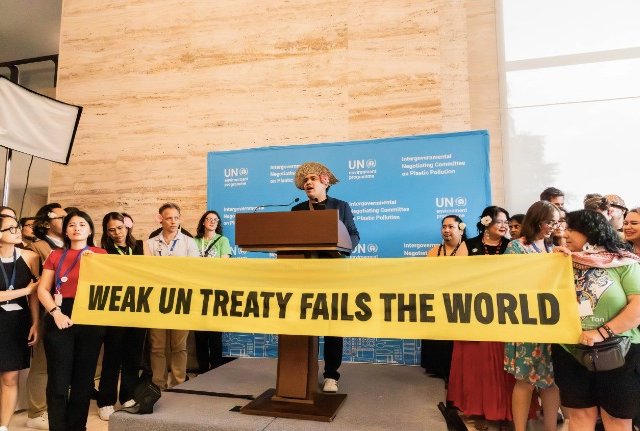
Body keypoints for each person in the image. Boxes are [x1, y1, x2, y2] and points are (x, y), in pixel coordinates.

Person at [552, 209, 640, 431]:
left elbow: (638, 308)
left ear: (591, 231)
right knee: (579, 417)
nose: (564, 233)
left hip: (619, 351)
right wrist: (551, 263)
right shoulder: (561, 262)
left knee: (616, 419)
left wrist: (602, 332)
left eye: (572, 229)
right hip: (570, 350)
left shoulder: (623, 262)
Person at [291, 162, 359, 393]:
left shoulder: (341, 206)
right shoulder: (297, 210)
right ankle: (303, 371)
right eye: (305, 180)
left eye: (312, 178)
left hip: (333, 275)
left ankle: (331, 375)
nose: (307, 183)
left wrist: (342, 248)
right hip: (305, 276)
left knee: (332, 325)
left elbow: (354, 235)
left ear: (325, 182)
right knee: (305, 325)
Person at [37, 210, 107, 431]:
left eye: (82, 224)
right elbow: (43, 289)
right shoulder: (55, 255)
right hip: (60, 314)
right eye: (72, 225)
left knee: (83, 381)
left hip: (90, 316)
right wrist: (55, 312)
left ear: (90, 230)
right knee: (58, 380)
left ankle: (78, 427)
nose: (77, 228)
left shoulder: (101, 254)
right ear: (65, 231)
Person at [448, 206, 514, 429]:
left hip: (504, 314)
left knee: (503, 365)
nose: (504, 226)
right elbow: (456, 276)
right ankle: (476, 410)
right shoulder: (469, 245)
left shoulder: (512, 246)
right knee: (476, 364)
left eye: (506, 222)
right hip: (475, 313)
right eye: (499, 221)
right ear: (486, 222)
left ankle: (504, 411)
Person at [503, 201, 562, 431]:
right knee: (525, 380)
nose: (553, 227)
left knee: (551, 380)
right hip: (526, 320)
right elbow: (510, 282)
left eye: (556, 222)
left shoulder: (553, 247)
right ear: (537, 220)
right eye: (549, 222)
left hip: (552, 321)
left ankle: (550, 428)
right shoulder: (516, 247)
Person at [96, 212, 146, 420]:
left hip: (139, 306)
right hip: (114, 308)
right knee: (112, 356)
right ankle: (105, 401)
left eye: (120, 228)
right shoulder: (102, 251)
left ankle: (128, 395)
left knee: (133, 355)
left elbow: (150, 271)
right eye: (111, 230)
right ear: (106, 232)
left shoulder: (140, 246)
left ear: (127, 227)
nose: (117, 233)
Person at [145, 203, 199, 390]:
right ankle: (158, 384)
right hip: (157, 300)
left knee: (179, 346)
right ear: (160, 219)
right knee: (157, 346)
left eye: (176, 217)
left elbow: (195, 271)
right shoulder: (151, 243)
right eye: (169, 218)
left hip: (181, 299)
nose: (173, 221)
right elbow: (147, 271)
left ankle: (178, 384)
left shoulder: (189, 242)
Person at [27, 203, 66, 430]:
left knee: (59, 362)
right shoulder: (37, 247)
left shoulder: (70, 245)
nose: (66, 221)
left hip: (67, 309)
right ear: (46, 223)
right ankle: (35, 411)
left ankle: (52, 407)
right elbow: (34, 286)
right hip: (46, 309)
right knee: (41, 363)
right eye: (61, 217)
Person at [0, 213, 40, 431]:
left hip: (16, 322)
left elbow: (35, 295)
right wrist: (26, 290)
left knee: (10, 377)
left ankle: (3, 426)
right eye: (10, 229)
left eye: (16, 227)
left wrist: (35, 322)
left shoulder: (30, 257)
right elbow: (30, 290)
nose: (17, 231)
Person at [422, 215, 467, 381]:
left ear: (460, 229)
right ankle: (437, 368)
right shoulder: (434, 251)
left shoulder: (467, 249)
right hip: (437, 299)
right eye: (444, 226)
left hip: (459, 300)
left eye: (451, 226)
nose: (446, 230)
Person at [193, 210, 231, 374]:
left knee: (215, 333)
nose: (212, 221)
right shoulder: (194, 241)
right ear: (203, 222)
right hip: (197, 291)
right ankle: (202, 369)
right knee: (199, 334)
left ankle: (215, 370)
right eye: (209, 219)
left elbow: (224, 264)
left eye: (215, 220)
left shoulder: (223, 240)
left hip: (215, 291)